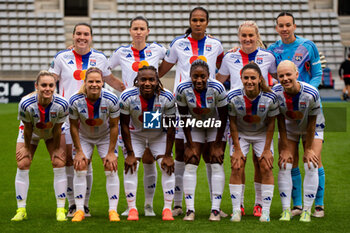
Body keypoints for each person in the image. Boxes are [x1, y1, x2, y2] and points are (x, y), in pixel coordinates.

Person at [49, 22, 125, 217]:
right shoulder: (61, 57)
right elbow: (50, 82)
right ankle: (74, 204)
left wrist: (132, 90)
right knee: (72, 162)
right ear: (73, 36)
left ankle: (85, 206)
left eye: (86, 34)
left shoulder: (100, 58)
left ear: (91, 37)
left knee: (86, 162)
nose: (82, 37)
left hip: (96, 117)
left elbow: (110, 80)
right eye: (78, 34)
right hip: (68, 117)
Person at [158, 6, 226, 217]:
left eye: (202, 20)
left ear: (207, 22)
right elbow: (162, 69)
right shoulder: (179, 44)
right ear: (190, 22)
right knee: (183, 153)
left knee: (211, 155)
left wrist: (217, 90)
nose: (198, 23)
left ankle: (216, 206)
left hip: (209, 108)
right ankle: (178, 204)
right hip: (183, 105)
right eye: (194, 20)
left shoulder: (216, 44)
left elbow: (223, 69)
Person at [217, 20, 277, 217]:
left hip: (261, 117)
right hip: (237, 116)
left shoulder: (268, 57)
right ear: (239, 37)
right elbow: (219, 82)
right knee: (238, 162)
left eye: (251, 35)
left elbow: (278, 79)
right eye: (244, 35)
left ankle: (259, 204)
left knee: (261, 162)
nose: (247, 39)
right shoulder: (229, 56)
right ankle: (239, 205)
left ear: (257, 36)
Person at [268, 12, 325, 217]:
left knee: (313, 159)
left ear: (294, 26)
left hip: (308, 107)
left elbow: (318, 73)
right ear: (276, 28)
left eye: (288, 25)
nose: (284, 29)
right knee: (288, 160)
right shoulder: (272, 49)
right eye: (281, 25)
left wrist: (308, 93)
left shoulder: (308, 46)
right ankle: (297, 205)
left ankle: (318, 204)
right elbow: (264, 68)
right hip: (287, 110)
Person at [109, 16, 167, 216]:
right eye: (135, 28)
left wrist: (159, 84)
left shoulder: (158, 49)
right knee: (132, 156)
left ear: (148, 31)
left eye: (142, 28)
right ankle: (130, 205)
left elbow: (172, 60)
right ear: (130, 31)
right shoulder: (121, 52)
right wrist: (120, 86)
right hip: (130, 104)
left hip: (151, 105)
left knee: (149, 156)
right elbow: (105, 70)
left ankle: (148, 205)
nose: (139, 32)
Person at [119, 66, 176, 221]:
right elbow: (124, 125)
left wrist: (168, 154)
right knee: (131, 166)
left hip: (158, 135)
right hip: (135, 135)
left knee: (167, 166)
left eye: (152, 79)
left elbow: (171, 127)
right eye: (143, 79)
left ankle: (167, 209)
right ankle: (132, 209)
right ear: (137, 80)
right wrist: (130, 153)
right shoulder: (127, 96)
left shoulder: (167, 97)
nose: (147, 83)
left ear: (157, 81)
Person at [11, 71, 69, 221]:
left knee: (59, 162)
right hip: (32, 132)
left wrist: (56, 148)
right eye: (43, 85)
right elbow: (28, 128)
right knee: (23, 163)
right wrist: (25, 147)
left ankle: (60, 209)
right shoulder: (25, 103)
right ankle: (21, 209)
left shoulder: (62, 104)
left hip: (52, 132)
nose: (47, 88)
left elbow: (57, 128)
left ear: (54, 86)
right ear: (36, 86)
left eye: (51, 85)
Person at [175, 60, 227, 221]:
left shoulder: (218, 88)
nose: (199, 80)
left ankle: (216, 210)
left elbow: (224, 117)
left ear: (208, 76)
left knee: (216, 160)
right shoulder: (182, 88)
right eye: (195, 76)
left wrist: (218, 144)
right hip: (194, 124)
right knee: (191, 159)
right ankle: (190, 210)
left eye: (202, 76)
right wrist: (189, 144)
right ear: (189, 76)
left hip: (215, 125)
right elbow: (183, 116)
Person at [273, 60, 325, 222]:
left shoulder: (311, 93)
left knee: (312, 162)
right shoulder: (276, 92)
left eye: (288, 74)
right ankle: (293, 207)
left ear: (297, 74)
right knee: (286, 162)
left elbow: (311, 122)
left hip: (313, 125)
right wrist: (286, 147)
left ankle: (315, 207)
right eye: (281, 75)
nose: (285, 78)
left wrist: (308, 148)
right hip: (289, 126)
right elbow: (279, 119)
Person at [227, 62, 278, 222]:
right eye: (246, 78)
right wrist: (236, 148)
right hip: (240, 133)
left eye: (253, 78)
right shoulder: (233, 96)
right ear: (241, 78)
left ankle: (264, 209)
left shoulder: (270, 97)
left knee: (265, 166)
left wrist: (267, 149)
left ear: (259, 79)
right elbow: (233, 123)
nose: (249, 81)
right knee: (237, 166)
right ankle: (237, 209)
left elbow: (271, 123)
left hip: (262, 134)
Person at [68, 67, 120, 222]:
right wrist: (78, 150)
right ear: (85, 82)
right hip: (84, 136)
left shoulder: (111, 99)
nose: (94, 84)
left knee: (111, 167)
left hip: (104, 137)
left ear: (103, 82)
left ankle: (113, 210)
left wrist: (111, 152)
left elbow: (114, 126)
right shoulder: (75, 101)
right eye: (91, 81)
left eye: (98, 81)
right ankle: (79, 210)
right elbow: (73, 126)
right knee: (80, 165)